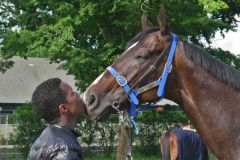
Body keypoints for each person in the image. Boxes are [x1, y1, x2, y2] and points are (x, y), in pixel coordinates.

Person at [28, 78, 86, 160]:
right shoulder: (64, 148)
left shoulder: (44, 137)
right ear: (63, 108)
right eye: (72, 93)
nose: (79, 94)